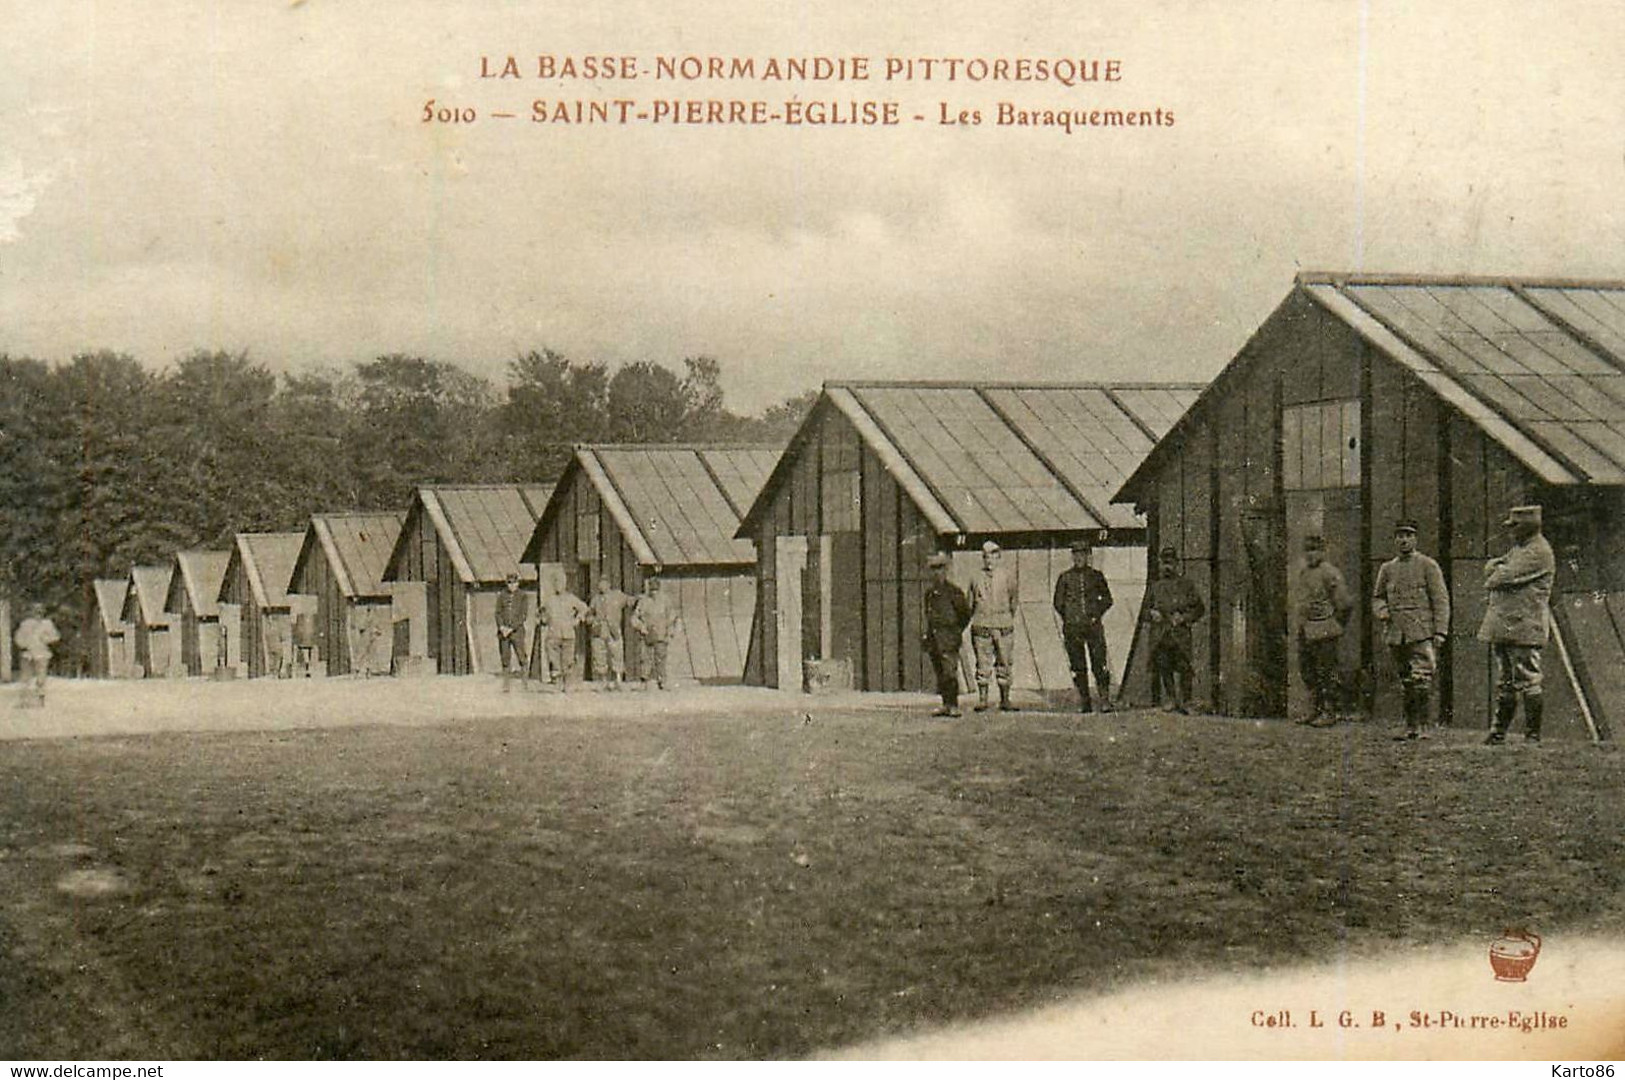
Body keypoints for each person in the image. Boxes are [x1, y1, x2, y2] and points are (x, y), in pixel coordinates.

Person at [1478, 504, 1555, 746]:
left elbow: (1499, 576)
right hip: (1506, 625)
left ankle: (1532, 735)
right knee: (1506, 681)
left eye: (1515, 526)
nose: (1511, 531)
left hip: (1524, 626)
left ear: (1528, 526)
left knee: (1528, 679)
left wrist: (1496, 568)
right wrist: (1496, 568)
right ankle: (1498, 732)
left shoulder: (1538, 551)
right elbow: (1492, 569)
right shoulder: (1519, 549)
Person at [1373, 519, 1451, 741]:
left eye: (1408, 535)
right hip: (1396, 634)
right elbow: (1377, 598)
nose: (1403, 540)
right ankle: (1411, 726)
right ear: (1394, 539)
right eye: (1399, 535)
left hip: (1421, 632)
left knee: (1422, 679)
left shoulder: (1428, 565)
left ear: (1415, 539)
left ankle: (1424, 727)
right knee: (1406, 680)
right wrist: (1383, 612)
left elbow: (1440, 600)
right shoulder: (1387, 569)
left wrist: (1440, 631)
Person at [1295, 535, 1354, 726]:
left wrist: (1336, 625)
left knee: (1327, 671)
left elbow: (1344, 603)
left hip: (1325, 628)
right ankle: (1314, 709)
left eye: (1315, 550)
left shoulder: (1330, 573)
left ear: (1322, 551)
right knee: (1308, 671)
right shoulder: (1304, 573)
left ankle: (1330, 711)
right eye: (1308, 550)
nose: (1311, 555)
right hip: (1307, 628)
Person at [1052, 540, 1114, 714]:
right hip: (1073, 629)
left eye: (1082, 554)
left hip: (1093, 627)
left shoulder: (1096, 576)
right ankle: (1085, 701)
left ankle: (1104, 700)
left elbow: (1107, 599)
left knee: (1099, 663)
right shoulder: (1065, 577)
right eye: (1076, 554)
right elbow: (1058, 602)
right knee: (1078, 666)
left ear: (1088, 556)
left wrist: (1095, 614)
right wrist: (1070, 617)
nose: (1079, 558)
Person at [1145, 546, 1205, 714]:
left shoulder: (1186, 585)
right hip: (1161, 634)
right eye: (1164, 563)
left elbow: (1199, 608)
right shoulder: (1155, 586)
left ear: (1177, 564)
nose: (1167, 567)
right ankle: (1171, 698)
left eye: (1170, 563)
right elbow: (1144, 611)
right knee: (1164, 666)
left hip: (1180, 634)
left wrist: (1184, 618)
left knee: (1184, 666)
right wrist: (1152, 613)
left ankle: (1186, 701)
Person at [968, 540, 1020, 712]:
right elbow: (970, 604)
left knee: (1004, 662)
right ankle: (983, 699)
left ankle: (1005, 699)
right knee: (983, 663)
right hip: (982, 627)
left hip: (1003, 627)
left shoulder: (1007, 577)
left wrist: (1004, 619)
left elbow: (1013, 601)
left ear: (999, 557)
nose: (989, 560)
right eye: (985, 557)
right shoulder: (975, 578)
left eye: (992, 556)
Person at [921, 552, 972, 717]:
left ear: (945, 570)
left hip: (949, 638)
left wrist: (955, 631)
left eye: (940, 569)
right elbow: (928, 615)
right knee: (940, 673)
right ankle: (945, 704)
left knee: (950, 672)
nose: (937, 573)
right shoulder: (929, 594)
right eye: (933, 569)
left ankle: (953, 705)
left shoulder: (954, 592)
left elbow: (964, 614)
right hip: (935, 638)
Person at [630, 576, 680, 690]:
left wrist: (670, 631)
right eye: (652, 590)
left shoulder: (666, 601)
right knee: (645, 658)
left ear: (659, 589)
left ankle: (662, 681)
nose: (654, 592)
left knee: (661, 658)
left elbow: (673, 617)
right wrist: (641, 627)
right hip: (647, 634)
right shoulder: (643, 602)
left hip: (661, 634)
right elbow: (634, 618)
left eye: (656, 590)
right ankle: (644, 682)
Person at [539, 581, 590, 692]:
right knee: (554, 660)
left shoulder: (571, 598)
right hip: (553, 634)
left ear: (565, 585)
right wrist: (543, 619)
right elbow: (542, 613)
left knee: (568, 660)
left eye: (560, 584)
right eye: (556, 584)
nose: (558, 586)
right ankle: (557, 683)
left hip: (568, 634)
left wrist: (577, 619)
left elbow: (584, 608)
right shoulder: (550, 600)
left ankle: (568, 684)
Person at [588, 577, 632, 689]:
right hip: (600, 630)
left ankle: (618, 679)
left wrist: (639, 598)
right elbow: (589, 614)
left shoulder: (617, 596)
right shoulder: (595, 599)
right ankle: (603, 681)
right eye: (600, 584)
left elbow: (629, 601)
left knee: (617, 654)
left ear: (609, 584)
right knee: (599, 655)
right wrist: (593, 621)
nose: (601, 586)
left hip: (613, 630)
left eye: (604, 583)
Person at [14, 603, 59, 708]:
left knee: (41, 677)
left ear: (43, 612)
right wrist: (23, 645)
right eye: (35, 610)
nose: (38, 612)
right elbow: (18, 637)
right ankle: (24, 700)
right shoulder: (25, 624)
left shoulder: (47, 624)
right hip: (28, 654)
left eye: (40, 610)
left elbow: (55, 637)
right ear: (31, 611)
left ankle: (40, 699)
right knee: (26, 677)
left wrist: (47, 639)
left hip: (42, 653)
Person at [495, 571, 531, 692]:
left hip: (517, 632)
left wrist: (512, 628)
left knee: (522, 657)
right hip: (504, 633)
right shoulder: (502, 595)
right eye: (509, 583)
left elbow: (523, 615)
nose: (512, 585)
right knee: (505, 658)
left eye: (514, 583)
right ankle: (506, 685)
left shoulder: (523, 596)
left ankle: (525, 684)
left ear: (518, 583)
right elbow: (498, 613)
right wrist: (501, 627)